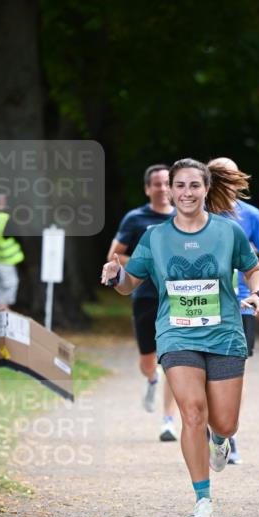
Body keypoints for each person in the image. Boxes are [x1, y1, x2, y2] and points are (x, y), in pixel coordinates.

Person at [101, 158, 259, 517]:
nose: (187, 192)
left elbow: (254, 267)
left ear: (206, 189)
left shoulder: (229, 232)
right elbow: (132, 283)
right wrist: (117, 276)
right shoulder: (155, 237)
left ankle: (220, 440)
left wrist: (256, 292)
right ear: (170, 190)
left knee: (224, 423)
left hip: (224, 333)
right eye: (180, 185)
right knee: (192, 412)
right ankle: (203, 498)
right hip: (176, 335)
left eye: (194, 185)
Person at [208, 157, 259, 463]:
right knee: (199, 372)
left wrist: (258, 290)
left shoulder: (250, 215)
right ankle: (210, 430)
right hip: (204, 304)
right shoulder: (196, 212)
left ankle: (225, 434)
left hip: (241, 307)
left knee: (230, 376)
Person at [106, 165, 179, 441]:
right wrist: (146, 262)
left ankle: (168, 420)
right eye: (157, 184)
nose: (162, 189)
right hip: (145, 295)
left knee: (173, 357)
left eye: (166, 183)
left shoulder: (183, 216)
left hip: (176, 297)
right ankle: (151, 379)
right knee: (148, 360)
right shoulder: (135, 219)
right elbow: (114, 256)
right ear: (148, 189)